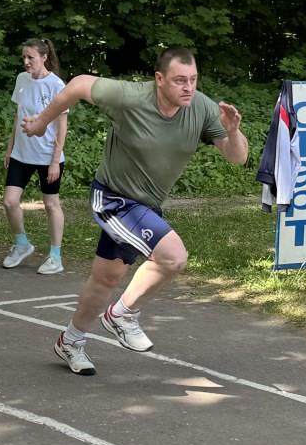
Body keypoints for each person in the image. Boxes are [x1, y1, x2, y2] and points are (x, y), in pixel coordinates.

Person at [22, 47, 249, 375]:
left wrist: (232, 131)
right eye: (179, 80)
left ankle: (70, 341)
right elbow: (79, 84)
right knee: (173, 257)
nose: (188, 87)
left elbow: (237, 157)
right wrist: (42, 122)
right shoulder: (129, 97)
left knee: (106, 278)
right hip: (113, 199)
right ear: (159, 79)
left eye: (193, 79)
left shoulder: (200, 107)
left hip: (146, 205)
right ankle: (122, 315)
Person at [2, 39, 68, 273]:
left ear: (44, 57)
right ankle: (22, 244)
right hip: (21, 154)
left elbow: (62, 126)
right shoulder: (22, 79)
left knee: (51, 205)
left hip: (47, 156)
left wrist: (55, 161)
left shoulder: (56, 85)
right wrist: (10, 148)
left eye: (31, 57)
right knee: (10, 201)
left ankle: (55, 257)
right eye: (24, 57)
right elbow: (18, 116)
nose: (26, 61)